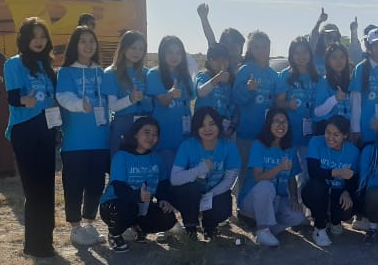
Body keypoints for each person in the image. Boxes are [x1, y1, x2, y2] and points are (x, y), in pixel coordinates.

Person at [4, 17, 61, 258]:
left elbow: (55, 97)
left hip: (47, 128)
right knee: (33, 188)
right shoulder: (13, 64)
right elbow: (13, 97)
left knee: (47, 187)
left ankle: (46, 242)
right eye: (34, 37)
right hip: (25, 129)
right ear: (25, 39)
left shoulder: (48, 66)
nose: (39, 41)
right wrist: (24, 100)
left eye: (43, 36)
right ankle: (34, 245)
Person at [56, 26, 111, 247]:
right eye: (83, 41)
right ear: (74, 45)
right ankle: (75, 228)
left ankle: (89, 224)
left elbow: (112, 99)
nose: (88, 45)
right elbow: (63, 96)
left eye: (92, 41)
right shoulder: (66, 72)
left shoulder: (102, 73)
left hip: (100, 140)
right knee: (74, 185)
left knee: (96, 185)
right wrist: (80, 105)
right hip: (75, 142)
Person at [99, 116, 178, 252]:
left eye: (155, 134)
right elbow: (118, 188)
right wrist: (137, 196)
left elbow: (162, 183)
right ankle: (115, 234)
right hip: (115, 205)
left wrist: (164, 199)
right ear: (135, 134)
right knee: (128, 207)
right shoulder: (121, 156)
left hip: (142, 205)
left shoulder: (157, 158)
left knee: (168, 218)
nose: (151, 137)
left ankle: (138, 229)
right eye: (146, 132)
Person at [169, 106, 241, 240]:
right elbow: (175, 179)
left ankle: (209, 226)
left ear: (219, 125)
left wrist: (209, 195)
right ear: (196, 128)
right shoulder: (188, 145)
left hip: (214, 191)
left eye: (212, 124)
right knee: (189, 191)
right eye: (202, 125)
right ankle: (191, 227)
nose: (207, 129)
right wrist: (199, 170)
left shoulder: (229, 146)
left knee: (223, 207)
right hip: (191, 192)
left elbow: (230, 178)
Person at [239, 109, 306, 247]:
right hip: (253, 199)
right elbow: (258, 178)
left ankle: (269, 229)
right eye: (276, 121)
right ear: (269, 124)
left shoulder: (290, 148)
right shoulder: (259, 145)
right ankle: (263, 229)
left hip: (276, 200)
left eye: (284, 122)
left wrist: (294, 197)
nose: (281, 125)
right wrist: (279, 168)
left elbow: (291, 177)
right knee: (265, 186)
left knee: (298, 216)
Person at [233, 31, 282, 198]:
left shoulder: (274, 75)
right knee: (244, 168)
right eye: (256, 47)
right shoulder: (245, 70)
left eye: (264, 46)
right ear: (251, 50)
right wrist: (248, 89)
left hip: (266, 134)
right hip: (246, 132)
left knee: (261, 169)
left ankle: (257, 203)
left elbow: (276, 104)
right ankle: (241, 204)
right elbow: (236, 99)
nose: (261, 51)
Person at [302, 115, 360, 246]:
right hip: (316, 192)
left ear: (345, 136)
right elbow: (313, 172)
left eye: (336, 134)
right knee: (318, 186)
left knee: (347, 207)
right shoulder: (316, 142)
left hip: (337, 193)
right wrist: (336, 172)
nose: (330, 137)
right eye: (328, 132)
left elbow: (353, 178)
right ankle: (319, 228)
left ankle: (334, 221)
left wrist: (346, 191)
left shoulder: (353, 151)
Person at [146, 35, 194, 182]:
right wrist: (171, 94)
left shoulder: (185, 76)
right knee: (165, 178)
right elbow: (163, 102)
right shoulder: (154, 74)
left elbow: (189, 101)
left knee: (181, 177)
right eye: (170, 52)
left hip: (183, 137)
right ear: (162, 53)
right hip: (163, 138)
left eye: (178, 52)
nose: (174, 56)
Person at [103, 30, 152, 155]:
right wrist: (130, 99)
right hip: (122, 126)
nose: (137, 52)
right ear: (124, 48)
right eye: (133, 47)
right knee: (121, 167)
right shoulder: (111, 73)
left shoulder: (147, 73)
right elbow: (112, 106)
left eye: (141, 49)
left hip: (145, 125)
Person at [349, 28, 378, 146]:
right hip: (365, 126)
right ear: (369, 47)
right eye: (375, 44)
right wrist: (356, 129)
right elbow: (356, 99)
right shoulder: (361, 68)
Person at [277, 36, 319, 159]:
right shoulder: (285, 75)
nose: (302, 56)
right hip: (289, 133)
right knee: (289, 172)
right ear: (291, 55)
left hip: (311, 133)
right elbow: (278, 102)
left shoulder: (316, 76)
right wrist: (288, 104)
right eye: (297, 53)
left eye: (305, 52)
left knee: (307, 174)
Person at [195, 43, 236, 137]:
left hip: (222, 130)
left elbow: (231, 106)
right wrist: (217, 79)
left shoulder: (229, 82)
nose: (221, 62)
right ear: (209, 61)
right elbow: (201, 92)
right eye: (217, 59)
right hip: (203, 128)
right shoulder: (203, 76)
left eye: (225, 59)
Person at [313, 42, 353, 134]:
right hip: (327, 132)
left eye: (342, 57)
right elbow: (317, 112)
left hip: (346, 132)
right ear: (328, 61)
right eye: (334, 57)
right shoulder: (323, 82)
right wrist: (335, 99)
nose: (339, 61)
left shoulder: (351, 81)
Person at [310, 6, 363, 71]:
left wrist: (354, 32)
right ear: (321, 38)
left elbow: (355, 54)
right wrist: (319, 22)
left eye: (335, 38)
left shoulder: (344, 58)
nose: (332, 40)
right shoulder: (313, 56)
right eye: (329, 37)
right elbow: (312, 41)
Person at [197, 2, 246, 66]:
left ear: (241, 44)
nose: (232, 46)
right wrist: (204, 18)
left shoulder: (249, 63)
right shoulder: (220, 64)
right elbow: (210, 38)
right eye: (228, 43)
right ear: (222, 45)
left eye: (235, 42)